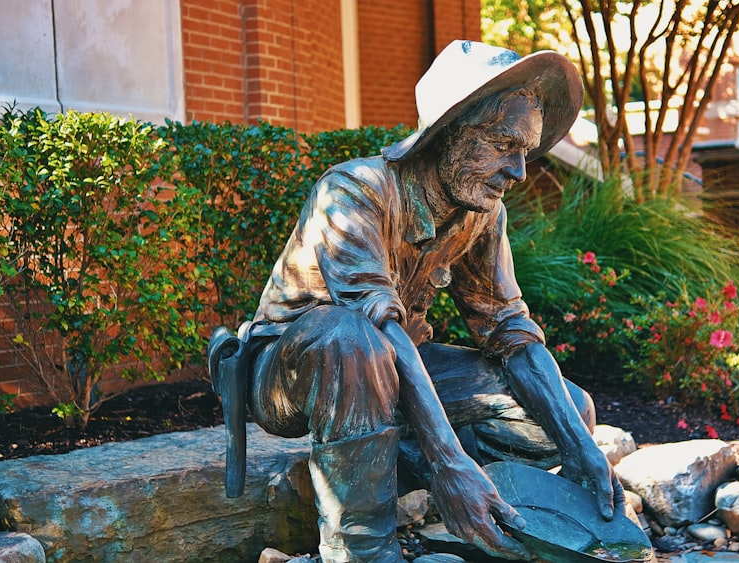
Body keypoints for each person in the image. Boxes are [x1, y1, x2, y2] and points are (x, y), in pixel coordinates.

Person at [209, 40, 624, 562]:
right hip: (293, 373)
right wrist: (449, 459)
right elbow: (375, 326)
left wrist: (580, 449)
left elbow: (511, 333)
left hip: (390, 369)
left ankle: (380, 465)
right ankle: (362, 544)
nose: (520, 171)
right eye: (503, 144)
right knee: (352, 338)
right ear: (447, 133)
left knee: (565, 411)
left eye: (526, 151)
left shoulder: (481, 213)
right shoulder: (356, 189)